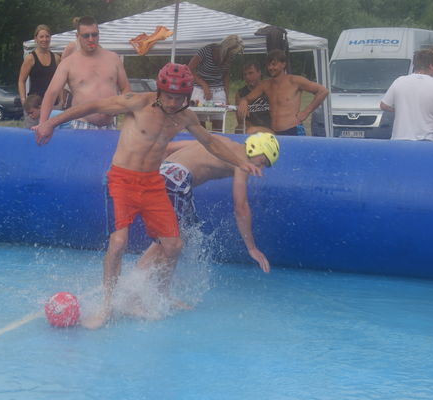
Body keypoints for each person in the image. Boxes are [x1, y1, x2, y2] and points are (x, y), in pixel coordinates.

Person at [34, 63, 263, 329]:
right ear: (159, 91)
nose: (173, 103)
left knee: (174, 245)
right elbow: (92, 106)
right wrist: (50, 123)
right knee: (118, 242)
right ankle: (106, 306)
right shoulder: (138, 102)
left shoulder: (185, 117)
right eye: (169, 97)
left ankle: (161, 295)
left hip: (152, 183)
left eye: (179, 98)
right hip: (122, 179)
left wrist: (240, 161)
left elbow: (210, 143)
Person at [137, 133, 279, 274]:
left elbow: (169, 147)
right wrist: (252, 248)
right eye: (262, 161)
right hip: (176, 180)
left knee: (185, 234)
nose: (261, 168)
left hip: (163, 173)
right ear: (254, 149)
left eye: (265, 166)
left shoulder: (220, 141)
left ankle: (146, 280)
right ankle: (143, 281)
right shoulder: (242, 163)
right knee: (171, 242)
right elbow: (240, 208)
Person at [39, 16, 130, 129]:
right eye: (86, 36)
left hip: (109, 126)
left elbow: (125, 87)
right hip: (82, 125)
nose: (91, 39)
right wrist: (42, 124)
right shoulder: (68, 63)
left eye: (94, 35)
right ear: (77, 36)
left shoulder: (113, 58)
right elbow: (51, 94)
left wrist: (121, 105)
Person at [237, 49, 329, 136]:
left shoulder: (295, 80)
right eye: (269, 65)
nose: (271, 68)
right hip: (275, 131)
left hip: (293, 129)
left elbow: (323, 91)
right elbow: (246, 98)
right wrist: (244, 101)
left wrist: (306, 112)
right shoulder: (265, 85)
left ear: (283, 64)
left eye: (274, 64)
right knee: (250, 131)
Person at [379, 49, 433, 141]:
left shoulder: (399, 81)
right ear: (431, 66)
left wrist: (399, 109)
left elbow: (384, 105)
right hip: (428, 139)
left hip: (400, 138)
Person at [187, 34, 243, 131]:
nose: (231, 56)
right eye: (230, 54)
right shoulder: (206, 51)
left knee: (218, 124)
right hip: (200, 89)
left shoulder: (230, 57)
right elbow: (189, 69)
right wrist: (204, 85)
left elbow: (226, 76)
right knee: (199, 124)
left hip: (218, 90)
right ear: (226, 49)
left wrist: (226, 96)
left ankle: (216, 140)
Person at [17, 24, 60, 107]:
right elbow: (21, 81)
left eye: (47, 36)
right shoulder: (30, 58)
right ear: (36, 38)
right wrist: (23, 100)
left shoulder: (56, 58)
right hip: (35, 105)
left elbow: (60, 81)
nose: (44, 39)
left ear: (50, 38)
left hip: (53, 103)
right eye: (41, 37)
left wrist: (62, 100)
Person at [236, 61, 272, 133]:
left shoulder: (269, 89)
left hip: (269, 128)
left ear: (259, 73)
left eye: (251, 73)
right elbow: (240, 120)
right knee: (239, 128)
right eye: (245, 74)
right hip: (251, 128)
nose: (247, 77)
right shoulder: (240, 94)